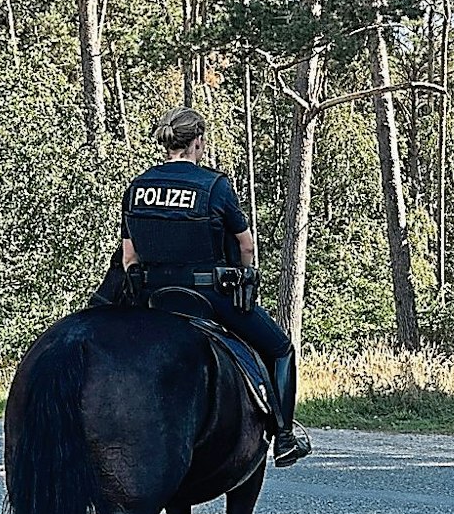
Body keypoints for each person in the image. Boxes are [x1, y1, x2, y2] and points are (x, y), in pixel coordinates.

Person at [115, 106, 310, 467]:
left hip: (153, 300)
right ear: (198, 143)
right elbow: (246, 245)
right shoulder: (215, 186)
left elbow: (130, 257)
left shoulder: (137, 187)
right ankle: (283, 436)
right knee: (281, 348)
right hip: (207, 296)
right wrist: (244, 276)